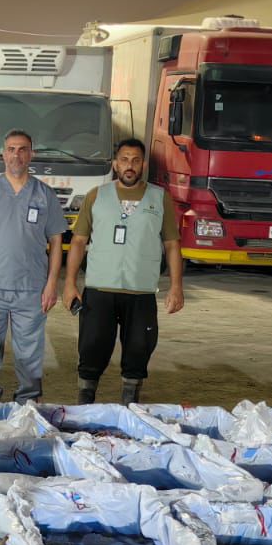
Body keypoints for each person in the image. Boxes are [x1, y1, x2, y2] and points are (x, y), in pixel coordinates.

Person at [62, 137, 184, 404]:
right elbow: (79, 241)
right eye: (125, 160)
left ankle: (130, 401)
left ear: (144, 165)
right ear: (115, 164)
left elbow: (172, 245)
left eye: (136, 160)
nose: (130, 165)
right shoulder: (97, 196)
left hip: (140, 291)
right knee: (92, 346)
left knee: (139, 348)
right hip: (99, 288)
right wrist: (69, 283)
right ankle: (85, 400)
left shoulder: (159, 198)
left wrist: (176, 287)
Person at [0, 129, 66, 402]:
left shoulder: (44, 195)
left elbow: (56, 242)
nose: (16, 155)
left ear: (31, 154)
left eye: (22, 149)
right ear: (3, 155)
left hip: (31, 290)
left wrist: (52, 284)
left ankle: (27, 404)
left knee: (29, 353)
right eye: (11, 149)